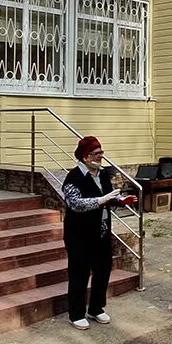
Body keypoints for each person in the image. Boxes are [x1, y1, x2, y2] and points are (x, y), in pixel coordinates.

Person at [61, 136, 128, 331]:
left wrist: (120, 200)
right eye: (96, 154)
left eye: (101, 153)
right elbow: (75, 204)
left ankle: (96, 308)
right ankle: (76, 314)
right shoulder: (73, 177)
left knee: (103, 269)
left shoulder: (103, 174)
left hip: (101, 231)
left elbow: (109, 197)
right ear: (85, 156)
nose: (100, 157)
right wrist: (101, 200)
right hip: (79, 234)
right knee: (79, 272)